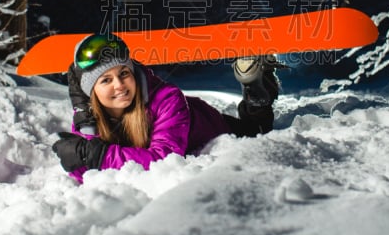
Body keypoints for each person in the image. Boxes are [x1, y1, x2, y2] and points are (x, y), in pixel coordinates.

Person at [51, 33, 282, 182]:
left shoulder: (167, 98)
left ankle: (257, 88)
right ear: (92, 92)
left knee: (257, 130)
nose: (120, 85)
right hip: (186, 130)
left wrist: (98, 156)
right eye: (106, 80)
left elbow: (164, 160)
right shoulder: (87, 118)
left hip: (214, 128)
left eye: (124, 73)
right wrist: (88, 156)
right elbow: (88, 171)